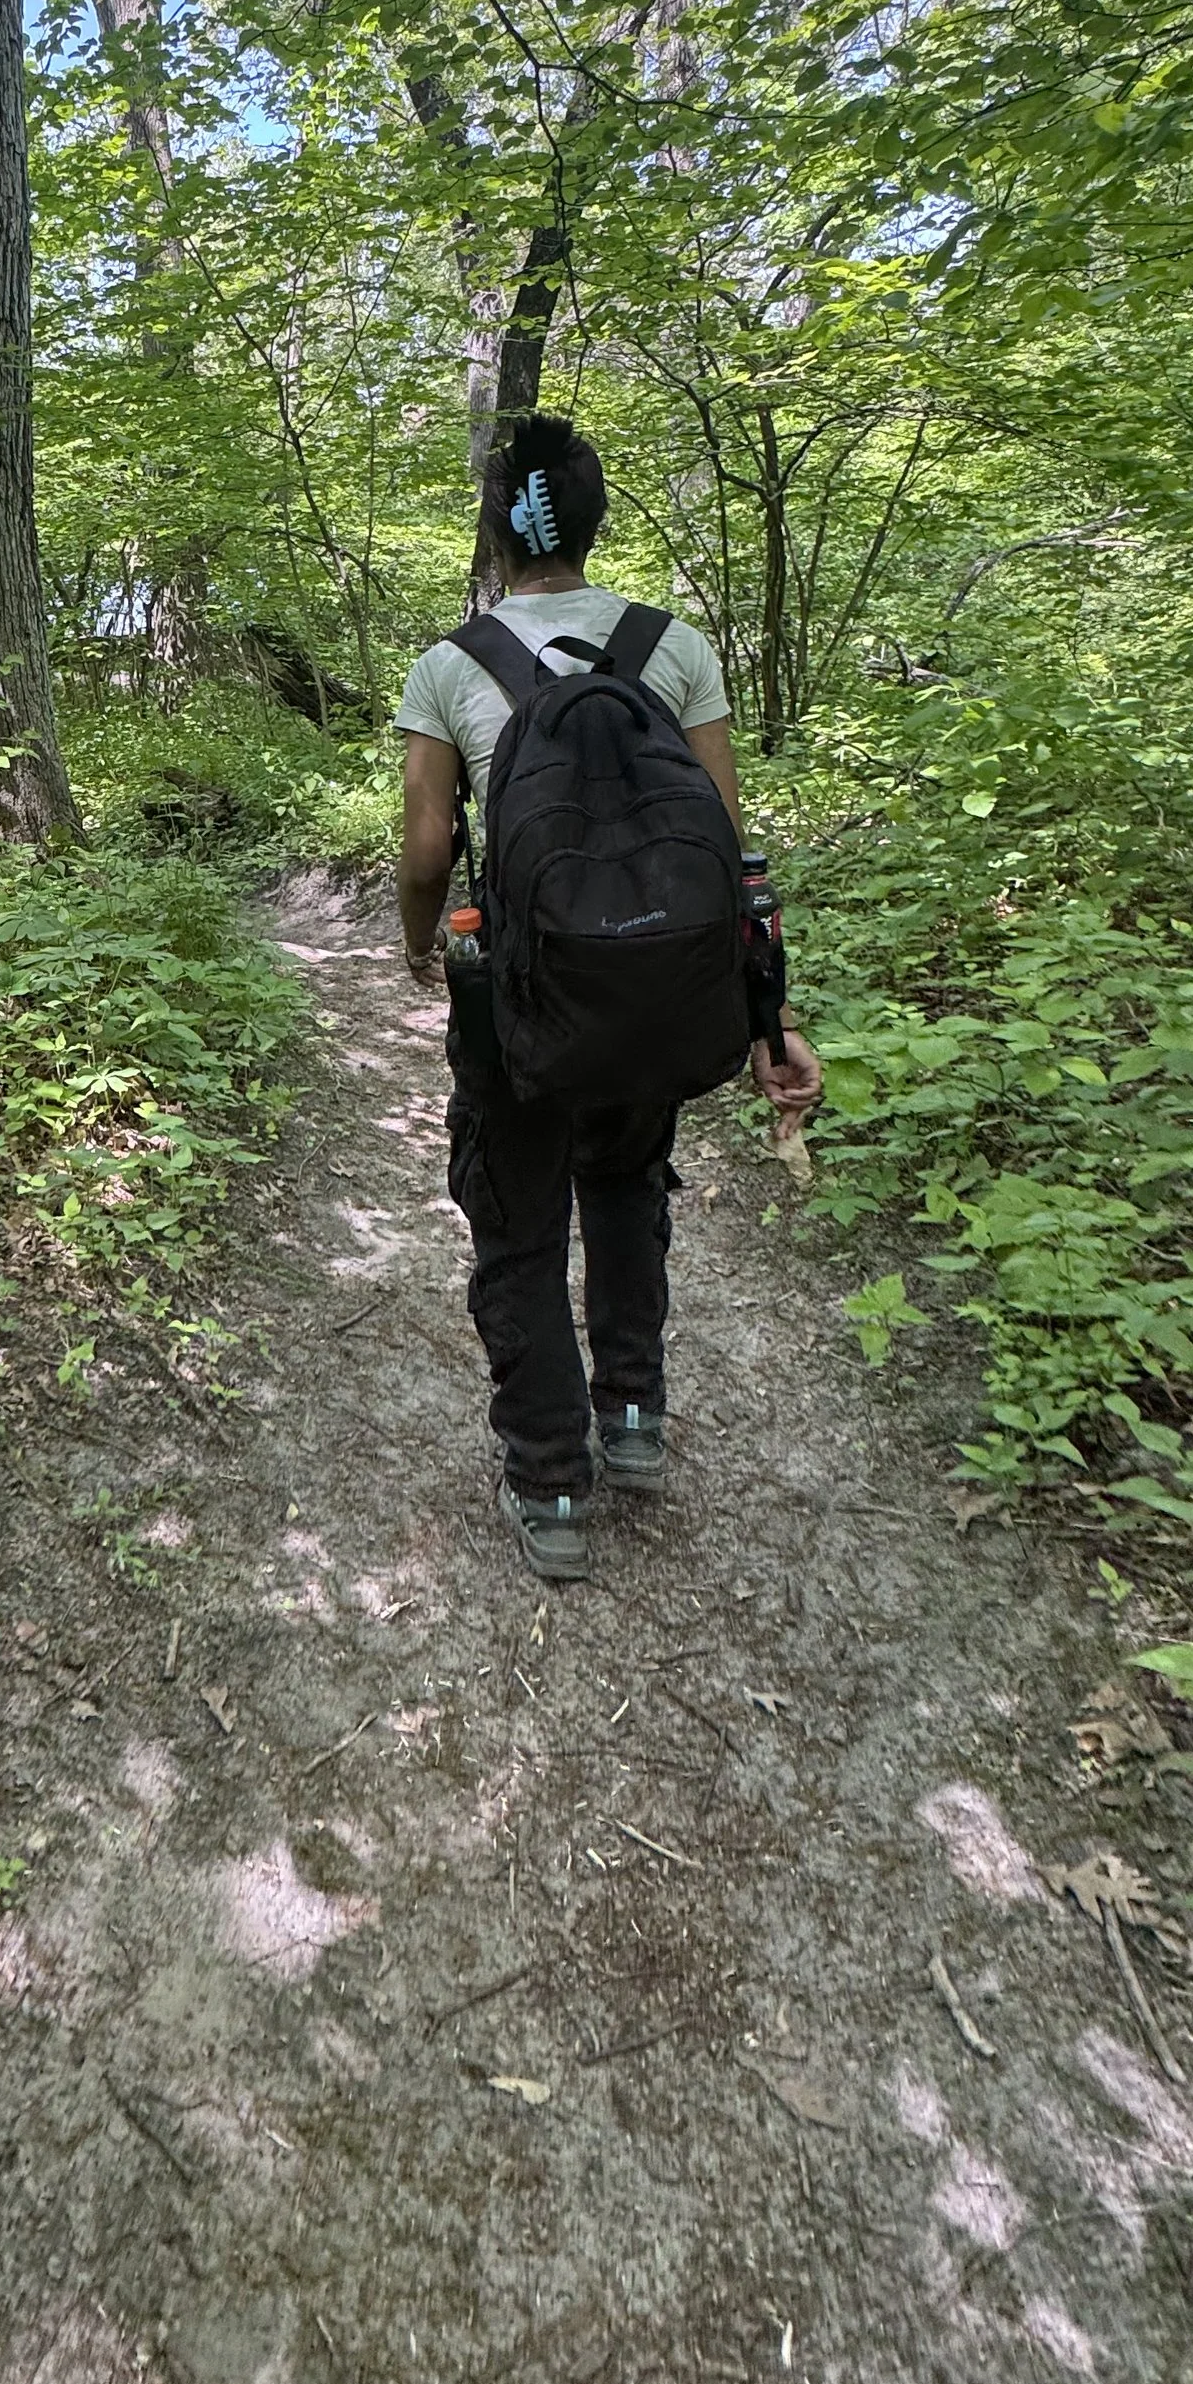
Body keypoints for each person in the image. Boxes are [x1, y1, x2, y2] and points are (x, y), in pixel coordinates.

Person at [394, 411, 823, 1578]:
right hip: (655, 984)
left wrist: (418, 946)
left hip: (519, 997)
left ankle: (547, 1477)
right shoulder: (672, 646)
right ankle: (630, 1417)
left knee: (516, 1216)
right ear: (592, 522)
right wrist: (766, 1017)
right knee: (627, 1188)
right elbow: (729, 850)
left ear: (496, 533)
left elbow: (430, 848)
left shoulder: (452, 665)